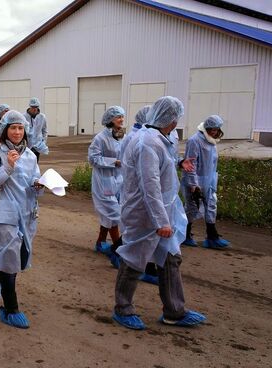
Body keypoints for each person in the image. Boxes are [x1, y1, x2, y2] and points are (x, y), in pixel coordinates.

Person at [112, 96, 206, 331]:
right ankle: (122, 308)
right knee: (135, 259)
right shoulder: (147, 143)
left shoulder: (158, 139)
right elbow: (149, 185)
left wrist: (178, 163)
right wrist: (160, 221)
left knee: (171, 258)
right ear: (172, 120)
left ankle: (174, 311)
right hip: (145, 214)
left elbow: (162, 170)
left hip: (162, 211)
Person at [0, 110, 43, 329]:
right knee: (11, 263)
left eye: (20, 128)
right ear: (4, 129)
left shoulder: (30, 155)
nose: (17, 132)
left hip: (26, 214)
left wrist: (39, 185)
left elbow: (33, 180)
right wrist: (7, 166)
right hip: (4, 214)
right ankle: (10, 309)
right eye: (13, 127)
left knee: (22, 258)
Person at [108, 105, 160, 286]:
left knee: (146, 230)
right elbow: (126, 165)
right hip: (134, 189)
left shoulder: (150, 137)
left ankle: (121, 253)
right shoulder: (136, 138)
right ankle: (120, 254)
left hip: (141, 188)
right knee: (139, 229)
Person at [181, 115, 230, 249]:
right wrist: (193, 184)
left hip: (209, 179)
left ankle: (212, 236)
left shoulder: (211, 141)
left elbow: (212, 163)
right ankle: (184, 235)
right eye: (212, 129)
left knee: (211, 206)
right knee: (192, 208)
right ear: (207, 128)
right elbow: (191, 163)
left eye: (216, 129)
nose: (214, 132)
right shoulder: (194, 140)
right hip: (196, 179)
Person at [88, 106, 125, 255]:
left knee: (110, 213)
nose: (121, 120)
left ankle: (100, 241)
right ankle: (118, 249)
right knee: (113, 214)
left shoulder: (120, 135)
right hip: (103, 181)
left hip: (118, 179)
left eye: (122, 117)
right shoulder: (100, 138)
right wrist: (113, 162)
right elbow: (93, 159)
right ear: (110, 119)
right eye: (118, 117)